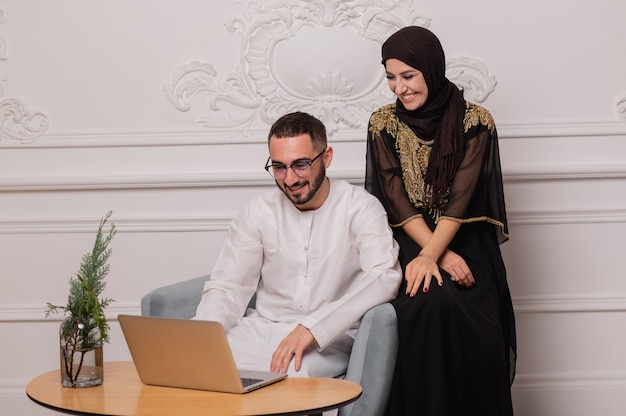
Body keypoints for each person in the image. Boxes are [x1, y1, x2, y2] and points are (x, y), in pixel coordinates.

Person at [365, 26, 517, 415]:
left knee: (468, 312)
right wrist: (435, 256)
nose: (399, 88)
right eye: (391, 78)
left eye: (408, 76)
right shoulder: (382, 124)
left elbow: (460, 203)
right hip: (412, 243)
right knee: (426, 303)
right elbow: (396, 201)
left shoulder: (476, 122)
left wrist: (438, 252)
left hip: (467, 241)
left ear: (431, 70)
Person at [193, 111, 402, 380]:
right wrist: (203, 334)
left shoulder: (360, 207)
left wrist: (314, 328)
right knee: (199, 364)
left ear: (326, 157)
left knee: (291, 376)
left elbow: (383, 275)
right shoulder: (257, 211)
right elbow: (228, 285)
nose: (290, 179)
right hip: (261, 329)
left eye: (301, 164)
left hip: (328, 339)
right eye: (279, 167)